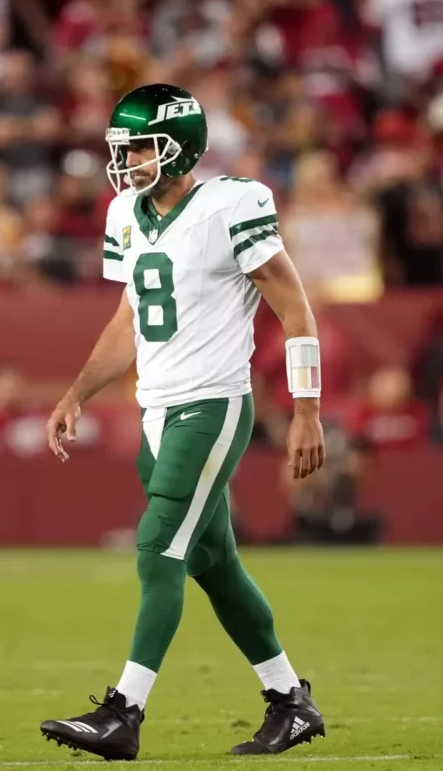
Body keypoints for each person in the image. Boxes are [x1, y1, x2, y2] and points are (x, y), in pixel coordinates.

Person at [41, 83, 326, 761]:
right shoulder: (125, 214)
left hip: (213, 403)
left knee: (157, 547)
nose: (128, 159)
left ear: (180, 145)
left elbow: (297, 311)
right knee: (214, 563)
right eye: (123, 146)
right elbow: (130, 319)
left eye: (139, 145)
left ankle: (124, 711)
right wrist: (78, 392)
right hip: (157, 410)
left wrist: (307, 410)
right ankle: (291, 702)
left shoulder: (233, 204)